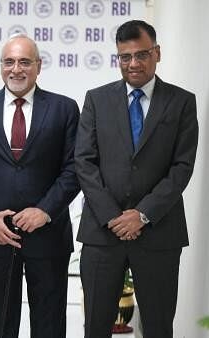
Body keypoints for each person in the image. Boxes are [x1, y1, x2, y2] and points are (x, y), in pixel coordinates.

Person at [75, 20, 198, 338]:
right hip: (102, 234)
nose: (133, 63)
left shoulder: (182, 102)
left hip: (159, 234)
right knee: (95, 327)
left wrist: (142, 215)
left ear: (157, 53)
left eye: (141, 55)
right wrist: (115, 218)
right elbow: (84, 163)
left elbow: (182, 167)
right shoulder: (96, 100)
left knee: (158, 327)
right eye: (124, 56)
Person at [0, 34, 80, 338]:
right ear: (1, 66)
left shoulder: (64, 109)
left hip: (48, 235)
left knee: (49, 323)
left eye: (25, 61)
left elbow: (74, 168)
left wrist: (44, 211)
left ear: (38, 66)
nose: (16, 69)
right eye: (9, 61)